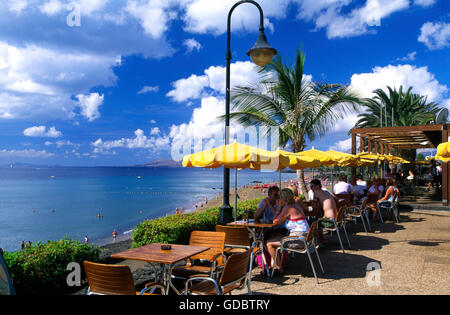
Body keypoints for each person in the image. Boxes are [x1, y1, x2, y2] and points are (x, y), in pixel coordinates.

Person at [268, 188, 309, 275]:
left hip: (298, 240)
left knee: (269, 243)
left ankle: (279, 269)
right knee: (275, 238)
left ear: (283, 199)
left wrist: (278, 208)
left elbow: (275, 221)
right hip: (305, 237)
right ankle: (276, 266)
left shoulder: (288, 208)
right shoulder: (296, 205)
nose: (278, 199)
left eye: (279, 197)